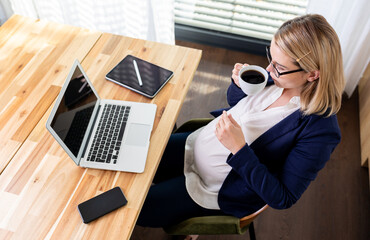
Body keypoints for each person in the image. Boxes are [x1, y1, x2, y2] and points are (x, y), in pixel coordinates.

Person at [137, 14, 345, 228]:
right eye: (270, 57)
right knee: (133, 157)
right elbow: (239, 104)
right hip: (195, 146)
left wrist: (239, 148)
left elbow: (282, 197)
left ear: (312, 74)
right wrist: (239, 85)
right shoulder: (279, 75)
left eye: (279, 66)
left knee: (137, 211)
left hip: (213, 187)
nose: (269, 69)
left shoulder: (321, 132)